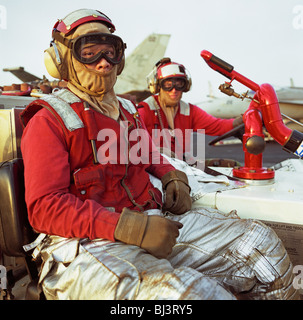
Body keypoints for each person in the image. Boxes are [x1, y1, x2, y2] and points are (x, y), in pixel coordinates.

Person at [20, 8, 297, 300]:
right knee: (190, 295)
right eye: (89, 52)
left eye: (110, 52)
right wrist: (127, 227)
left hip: (150, 223)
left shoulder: (126, 111)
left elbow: (148, 155)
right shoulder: (49, 120)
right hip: (85, 245)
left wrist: (170, 175)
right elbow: (44, 207)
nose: (104, 63)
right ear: (60, 60)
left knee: (261, 247)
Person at [138, 58, 243, 164]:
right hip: (152, 168)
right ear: (157, 86)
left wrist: (241, 121)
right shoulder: (144, 110)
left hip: (183, 165)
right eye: (168, 84)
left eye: (179, 84)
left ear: (186, 86)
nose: (174, 90)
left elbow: (218, 126)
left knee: (233, 165)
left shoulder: (189, 111)